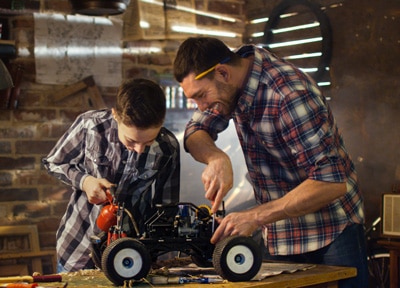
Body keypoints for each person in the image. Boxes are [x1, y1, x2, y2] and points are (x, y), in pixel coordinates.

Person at [173, 37, 367, 287]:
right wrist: (216, 157)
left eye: (201, 96)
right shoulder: (227, 86)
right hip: (279, 230)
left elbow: (331, 182)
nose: (201, 106)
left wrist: (254, 216)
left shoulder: (288, 94)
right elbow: (195, 131)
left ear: (222, 73)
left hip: (330, 229)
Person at [43, 78, 180, 272]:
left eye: (148, 142)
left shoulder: (168, 147)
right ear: (115, 115)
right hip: (78, 246)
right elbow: (53, 163)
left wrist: (154, 251)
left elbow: (166, 206)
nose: (140, 150)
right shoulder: (90, 125)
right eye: (131, 141)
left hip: (131, 255)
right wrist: (86, 181)